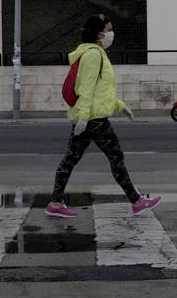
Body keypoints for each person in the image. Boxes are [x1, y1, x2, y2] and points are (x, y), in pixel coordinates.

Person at [48, 14, 161, 219]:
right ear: (99, 34)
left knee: (70, 159)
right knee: (116, 157)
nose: (111, 34)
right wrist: (83, 116)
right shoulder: (93, 55)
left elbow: (102, 91)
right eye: (109, 30)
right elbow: (87, 88)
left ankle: (55, 202)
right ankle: (137, 201)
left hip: (89, 116)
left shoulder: (95, 53)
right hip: (94, 118)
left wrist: (120, 105)